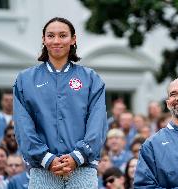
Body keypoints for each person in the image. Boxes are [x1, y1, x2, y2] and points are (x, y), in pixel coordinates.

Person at [13, 17, 107, 188]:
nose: (56, 41)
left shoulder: (91, 79)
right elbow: (22, 126)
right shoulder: (25, 80)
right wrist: (46, 158)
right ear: (44, 39)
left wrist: (77, 157)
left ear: (73, 39)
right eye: (51, 36)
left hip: (83, 169)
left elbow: (98, 124)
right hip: (42, 170)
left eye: (63, 35)